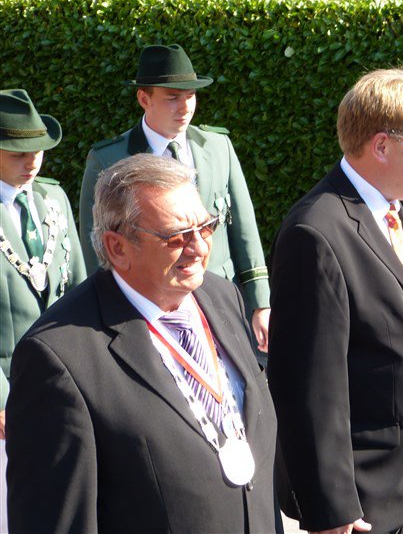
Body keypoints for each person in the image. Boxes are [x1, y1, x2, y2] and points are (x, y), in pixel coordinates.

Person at [6, 154, 280, 533]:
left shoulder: (223, 297)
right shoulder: (57, 358)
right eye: (176, 237)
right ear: (118, 247)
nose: (200, 248)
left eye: (206, 227)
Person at [268, 69, 403, 534]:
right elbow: (307, 384)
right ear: (382, 146)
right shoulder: (316, 233)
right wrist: (331, 505)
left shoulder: (394, 207)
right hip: (364, 502)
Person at [78, 43, 271, 351]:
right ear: (144, 98)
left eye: (190, 96)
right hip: (149, 310)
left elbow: (243, 228)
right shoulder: (109, 160)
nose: (185, 107)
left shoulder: (217, 147)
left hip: (219, 303)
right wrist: (110, 317)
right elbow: (98, 249)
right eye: (172, 97)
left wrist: (260, 302)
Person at [0, 88, 87, 531]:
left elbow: (81, 287)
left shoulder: (54, 199)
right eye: (18, 152)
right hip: (7, 388)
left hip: (65, 379)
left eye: (38, 150)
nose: (32, 161)